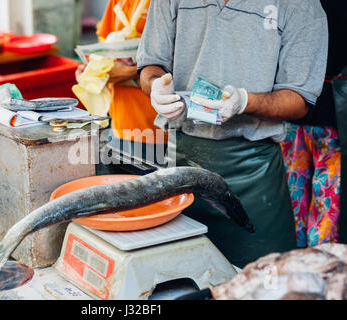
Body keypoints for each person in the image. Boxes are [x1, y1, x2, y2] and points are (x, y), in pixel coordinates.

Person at [137, 0, 328, 267]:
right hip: (180, 166)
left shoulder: (301, 6)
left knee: (261, 283)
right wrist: (155, 85)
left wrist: (245, 101)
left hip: (253, 174)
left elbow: (298, 100)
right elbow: (151, 65)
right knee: (177, 279)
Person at [280, 0, 346, 247]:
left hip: (290, 111)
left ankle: (293, 266)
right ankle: (319, 270)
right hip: (333, 120)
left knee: (291, 200)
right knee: (327, 207)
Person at [76, 0, 168, 167]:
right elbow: (104, 48)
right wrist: (92, 70)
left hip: (162, 127)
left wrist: (131, 71)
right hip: (121, 124)